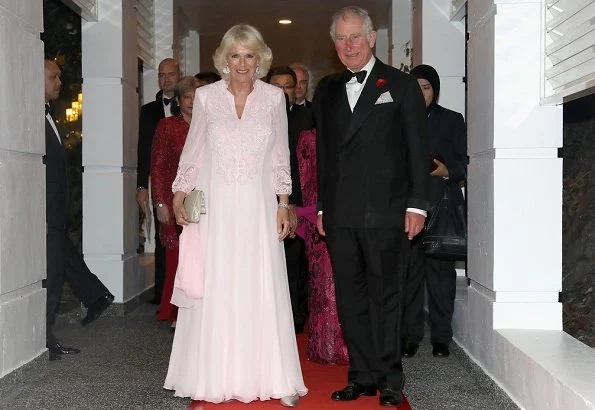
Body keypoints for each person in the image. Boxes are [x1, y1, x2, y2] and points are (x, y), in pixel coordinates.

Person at [164, 24, 307, 406]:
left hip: (259, 209)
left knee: (260, 285)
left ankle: (269, 374)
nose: (243, 63)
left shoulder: (275, 98)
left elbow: (281, 156)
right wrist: (179, 193)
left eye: (249, 55)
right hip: (218, 210)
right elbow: (193, 151)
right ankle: (215, 375)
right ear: (224, 60)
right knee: (219, 286)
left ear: (259, 59)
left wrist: (283, 202)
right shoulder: (207, 98)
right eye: (235, 55)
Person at [313, 6, 429, 407]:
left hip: (388, 212)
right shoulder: (326, 89)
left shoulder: (400, 84)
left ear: (372, 38)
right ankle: (361, 375)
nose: (348, 45)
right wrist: (324, 208)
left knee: (387, 296)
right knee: (351, 298)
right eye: (341, 38)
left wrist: (418, 205)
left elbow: (418, 149)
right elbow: (326, 154)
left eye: (355, 36)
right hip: (342, 213)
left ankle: (390, 378)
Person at [44, 59, 114, 361]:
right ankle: (46, 341)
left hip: (56, 215)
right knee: (52, 278)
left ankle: (93, 297)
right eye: (54, 76)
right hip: (46, 217)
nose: (60, 82)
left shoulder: (49, 115)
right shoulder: (32, 118)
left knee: (57, 273)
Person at [401, 64, 467, 359]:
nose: (420, 93)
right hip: (405, 208)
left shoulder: (452, 120)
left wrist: (446, 171)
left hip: (439, 206)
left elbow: (465, 162)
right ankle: (410, 337)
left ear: (435, 90)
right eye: (414, 87)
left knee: (441, 277)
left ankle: (441, 337)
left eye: (426, 87)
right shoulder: (396, 119)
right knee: (409, 277)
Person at [294, 127, 349, 365]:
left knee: (348, 283)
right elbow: (304, 181)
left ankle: (348, 347)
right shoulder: (308, 138)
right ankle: (325, 346)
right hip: (318, 219)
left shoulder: (352, 131)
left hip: (351, 217)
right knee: (322, 284)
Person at [151, 76, 200, 327]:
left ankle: (196, 310)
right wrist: (161, 203)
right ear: (179, 101)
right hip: (174, 202)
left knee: (198, 258)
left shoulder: (210, 127)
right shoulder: (167, 126)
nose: (192, 101)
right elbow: (157, 167)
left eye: (196, 96)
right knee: (176, 258)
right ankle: (176, 313)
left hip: (204, 203)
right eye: (187, 97)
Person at [267, 65, 312, 333]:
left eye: (287, 86)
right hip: (264, 200)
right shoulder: (258, 116)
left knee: (294, 263)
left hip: (298, 202)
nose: (282, 92)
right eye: (276, 86)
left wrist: (293, 202)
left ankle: (294, 316)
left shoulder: (307, 117)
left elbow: (300, 164)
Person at [137, 58, 181, 305]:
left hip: (187, 181)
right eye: (162, 75)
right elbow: (143, 149)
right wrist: (142, 185)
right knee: (164, 235)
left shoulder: (190, 104)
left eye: (170, 74)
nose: (166, 80)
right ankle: (162, 295)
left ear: (179, 75)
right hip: (160, 181)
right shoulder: (148, 111)